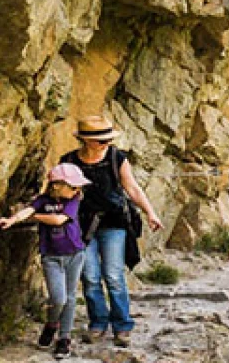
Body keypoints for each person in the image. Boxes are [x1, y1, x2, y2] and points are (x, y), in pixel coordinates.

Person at [60, 115, 164, 347]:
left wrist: (150, 212)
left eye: (107, 139)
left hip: (114, 224)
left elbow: (133, 189)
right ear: (86, 140)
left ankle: (122, 325)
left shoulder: (117, 158)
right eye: (100, 140)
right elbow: (57, 193)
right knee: (89, 277)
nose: (105, 143)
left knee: (114, 275)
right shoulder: (68, 162)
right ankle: (97, 323)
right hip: (81, 226)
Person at [0, 163, 93, 359]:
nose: (77, 190)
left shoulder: (74, 200)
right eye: (72, 186)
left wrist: (33, 217)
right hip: (52, 257)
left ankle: (64, 338)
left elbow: (58, 220)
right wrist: (12, 220)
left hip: (75, 254)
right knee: (58, 298)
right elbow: (26, 210)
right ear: (56, 185)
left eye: (78, 186)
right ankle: (52, 323)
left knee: (70, 297)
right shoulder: (42, 200)